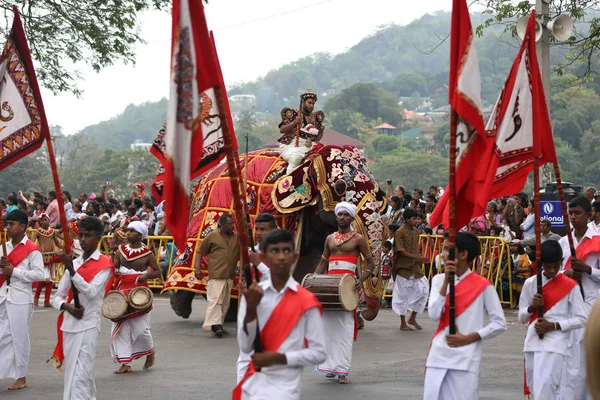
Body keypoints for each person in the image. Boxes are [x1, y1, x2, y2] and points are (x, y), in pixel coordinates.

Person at [233, 229, 326, 400]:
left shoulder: (307, 300)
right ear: (264, 258)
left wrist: (279, 358)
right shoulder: (253, 295)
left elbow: (319, 353)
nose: (281, 257)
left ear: (294, 257)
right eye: (275, 251)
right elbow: (246, 347)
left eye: (286, 251)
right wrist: (251, 312)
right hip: (252, 386)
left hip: (285, 389)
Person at [424, 231, 507, 400]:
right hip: (438, 356)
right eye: (443, 248)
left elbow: (500, 323)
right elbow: (433, 314)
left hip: (466, 358)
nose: (443, 253)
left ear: (463, 254)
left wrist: (469, 338)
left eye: (448, 249)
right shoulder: (439, 280)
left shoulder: (483, 286)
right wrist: (447, 281)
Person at [50, 216, 114, 400]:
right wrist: (67, 307)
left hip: (88, 326)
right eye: (82, 235)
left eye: (89, 236)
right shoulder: (75, 262)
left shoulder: (104, 264)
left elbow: (92, 292)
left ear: (99, 238)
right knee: (73, 373)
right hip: (69, 326)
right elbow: (58, 297)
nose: (84, 239)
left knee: (82, 373)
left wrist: (71, 271)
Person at [314, 201, 377, 384]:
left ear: (351, 217)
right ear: (336, 216)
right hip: (329, 287)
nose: (342, 217)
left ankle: (342, 370)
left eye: (346, 215)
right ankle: (330, 367)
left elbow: (371, 264)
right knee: (329, 329)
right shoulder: (329, 238)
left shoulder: (358, 239)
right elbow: (323, 264)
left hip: (348, 289)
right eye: (340, 214)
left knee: (344, 330)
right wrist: (313, 281)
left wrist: (360, 280)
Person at [518, 240, 586, 399]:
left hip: (556, 344)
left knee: (546, 389)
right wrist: (531, 307)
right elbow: (522, 317)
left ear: (562, 262)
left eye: (556, 266)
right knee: (537, 389)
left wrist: (554, 325)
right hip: (532, 342)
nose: (552, 270)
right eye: (548, 267)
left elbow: (582, 318)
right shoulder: (530, 283)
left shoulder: (570, 285)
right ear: (541, 264)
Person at [558, 196, 600, 400]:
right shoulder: (563, 242)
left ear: (589, 214)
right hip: (566, 304)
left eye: (578, 213)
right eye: (570, 213)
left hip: (591, 305)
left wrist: (588, 270)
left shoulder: (599, 240)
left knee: (585, 356)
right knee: (567, 356)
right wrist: (566, 275)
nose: (573, 217)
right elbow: (553, 274)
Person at [0, 210, 44, 390]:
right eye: (7, 224)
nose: (8, 227)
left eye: (12, 224)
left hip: (21, 298)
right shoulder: (4, 247)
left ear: (23, 227)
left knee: (19, 337)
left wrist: (15, 271)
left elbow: (40, 274)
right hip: (3, 295)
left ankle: (21, 377)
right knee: (2, 336)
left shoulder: (32, 250)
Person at [111, 221, 161, 374]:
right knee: (121, 328)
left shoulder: (148, 253)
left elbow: (157, 272)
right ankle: (125, 362)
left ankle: (150, 351)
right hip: (122, 291)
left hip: (140, 293)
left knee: (140, 329)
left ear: (140, 235)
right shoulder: (120, 251)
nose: (127, 233)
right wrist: (116, 272)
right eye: (128, 230)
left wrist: (146, 275)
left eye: (131, 231)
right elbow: (114, 268)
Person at [236, 213, 278, 383]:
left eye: (263, 230)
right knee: (245, 352)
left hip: (269, 306)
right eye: (257, 229)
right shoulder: (252, 250)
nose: (259, 233)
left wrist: (258, 263)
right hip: (250, 304)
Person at [195, 214, 240, 337]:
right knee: (215, 300)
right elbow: (199, 252)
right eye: (230, 224)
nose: (232, 226)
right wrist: (197, 268)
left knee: (225, 301)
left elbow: (242, 253)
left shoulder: (236, 237)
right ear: (223, 225)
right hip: (216, 273)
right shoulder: (212, 236)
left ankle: (219, 324)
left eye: (233, 223)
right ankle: (215, 326)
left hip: (229, 274)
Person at [392, 207, 430, 331]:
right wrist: (419, 258)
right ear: (407, 219)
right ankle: (403, 323)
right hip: (403, 268)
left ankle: (412, 318)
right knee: (402, 296)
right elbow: (401, 252)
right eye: (414, 218)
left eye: (417, 218)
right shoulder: (399, 232)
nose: (416, 221)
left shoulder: (416, 231)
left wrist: (418, 259)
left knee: (424, 290)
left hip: (415, 268)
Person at [278, 90, 325, 174]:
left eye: (313, 104)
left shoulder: (316, 117)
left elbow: (320, 132)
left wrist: (315, 142)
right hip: (291, 145)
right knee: (295, 159)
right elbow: (282, 130)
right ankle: (289, 181)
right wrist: (294, 123)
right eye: (309, 103)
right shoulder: (293, 114)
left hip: (309, 146)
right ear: (303, 102)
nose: (311, 106)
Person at [31, 214, 64, 307]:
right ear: (40, 222)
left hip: (51, 257)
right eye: (43, 220)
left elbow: (57, 243)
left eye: (47, 220)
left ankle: (47, 301)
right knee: (42, 279)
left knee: (50, 280)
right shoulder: (38, 231)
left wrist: (65, 247)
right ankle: (36, 299)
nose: (45, 221)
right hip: (42, 258)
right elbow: (31, 242)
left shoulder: (52, 231)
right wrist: (37, 251)